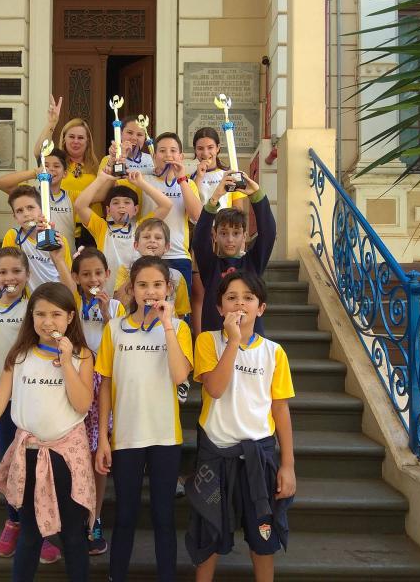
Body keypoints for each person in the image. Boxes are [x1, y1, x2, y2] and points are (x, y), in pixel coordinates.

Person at [0, 283, 96, 582]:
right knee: (29, 533)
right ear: (31, 317)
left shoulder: (82, 356)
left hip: (67, 457)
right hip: (28, 454)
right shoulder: (19, 356)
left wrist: (66, 362)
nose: (48, 322)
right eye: (40, 314)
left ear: (70, 317)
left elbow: (82, 404)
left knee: (73, 535)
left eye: (56, 314)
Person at [187, 271, 296, 582]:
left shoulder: (274, 352)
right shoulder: (207, 341)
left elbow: (280, 408)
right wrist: (233, 341)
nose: (239, 304)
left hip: (258, 453)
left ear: (260, 308)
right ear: (219, 307)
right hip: (215, 452)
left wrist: (287, 465)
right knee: (208, 532)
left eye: (248, 298)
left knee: (263, 535)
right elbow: (215, 389)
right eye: (231, 298)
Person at [95, 256, 194, 581]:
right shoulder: (114, 329)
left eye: (157, 285)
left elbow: (180, 376)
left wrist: (167, 325)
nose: (150, 292)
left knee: (164, 516)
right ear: (131, 289)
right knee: (125, 515)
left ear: (168, 289)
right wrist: (103, 438)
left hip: (165, 436)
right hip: (125, 437)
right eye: (142, 285)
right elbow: (105, 384)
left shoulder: (179, 328)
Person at [60, 247, 127, 556]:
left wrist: (106, 314)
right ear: (75, 277)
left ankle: (94, 518)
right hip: (75, 384)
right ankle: (72, 517)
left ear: (108, 274)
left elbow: (121, 344)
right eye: (85, 274)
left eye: (98, 273)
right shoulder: (70, 306)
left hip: (104, 387)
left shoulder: (116, 306)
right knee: (73, 455)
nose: (93, 279)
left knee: (98, 457)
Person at [192, 172, 276, 335]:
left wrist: (256, 195)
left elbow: (269, 233)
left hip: (249, 342)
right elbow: (199, 239)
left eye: (236, 233)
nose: (230, 239)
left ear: (244, 236)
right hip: (215, 340)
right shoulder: (210, 265)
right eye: (223, 233)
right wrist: (215, 198)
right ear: (215, 236)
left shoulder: (253, 263)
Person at [74, 167, 172, 296]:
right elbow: (79, 205)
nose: (121, 206)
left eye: (127, 202)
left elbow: (166, 205)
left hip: (133, 293)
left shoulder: (141, 228)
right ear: (108, 210)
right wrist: (100, 179)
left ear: (136, 210)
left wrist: (141, 183)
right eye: (115, 203)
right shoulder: (101, 227)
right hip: (106, 293)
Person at [188, 127, 248, 334]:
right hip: (202, 238)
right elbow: (190, 208)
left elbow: (239, 210)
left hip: (226, 237)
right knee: (199, 292)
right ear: (195, 151)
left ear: (218, 148)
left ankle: (233, 332)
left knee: (228, 287)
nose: (205, 153)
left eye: (210, 147)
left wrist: (239, 239)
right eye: (200, 148)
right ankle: (201, 339)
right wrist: (197, 177)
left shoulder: (230, 175)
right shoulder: (191, 177)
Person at [33, 95, 101, 247]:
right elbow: (39, 152)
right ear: (64, 139)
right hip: (60, 226)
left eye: (80, 138)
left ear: (87, 141)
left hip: (90, 231)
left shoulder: (96, 167)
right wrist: (52, 122)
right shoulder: (56, 165)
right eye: (71, 136)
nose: (76, 141)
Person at [140, 132, 202, 294]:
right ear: (154, 156)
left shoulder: (188, 184)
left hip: (178, 255)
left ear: (181, 156)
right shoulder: (142, 181)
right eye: (162, 151)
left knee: (180, 307)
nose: (168, 155)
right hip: (147, 254)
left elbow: (196, 216)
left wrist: (181, 179)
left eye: (173, 150)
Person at [0, 147, 80, 254]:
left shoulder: (72, 196)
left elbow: (98, 194)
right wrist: (34, 173)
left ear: (65, 173)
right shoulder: (30, 194)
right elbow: (1, 183)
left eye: (56, 166)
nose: (51, 169)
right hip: (37, 259)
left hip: (65, 257)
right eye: (46, 165)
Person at [112, 217, 190, 321]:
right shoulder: (125, 271)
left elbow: (181, 313)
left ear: (167, 247)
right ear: (136, 245)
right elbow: (119, 303)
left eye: (158, 238)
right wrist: (138, 270)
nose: (152, 241)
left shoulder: (177, 276)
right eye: (146, 237)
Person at [2, 185, 72, 292]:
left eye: (30, 207)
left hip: (56, 298)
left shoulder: (59, 240)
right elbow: (7, 277)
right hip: (27, 300)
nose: (26, 214)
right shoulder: (13, 236)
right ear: (15, 217)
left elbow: (71, 288)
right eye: (19, 211)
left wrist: (58, 260)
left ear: (42, 210)